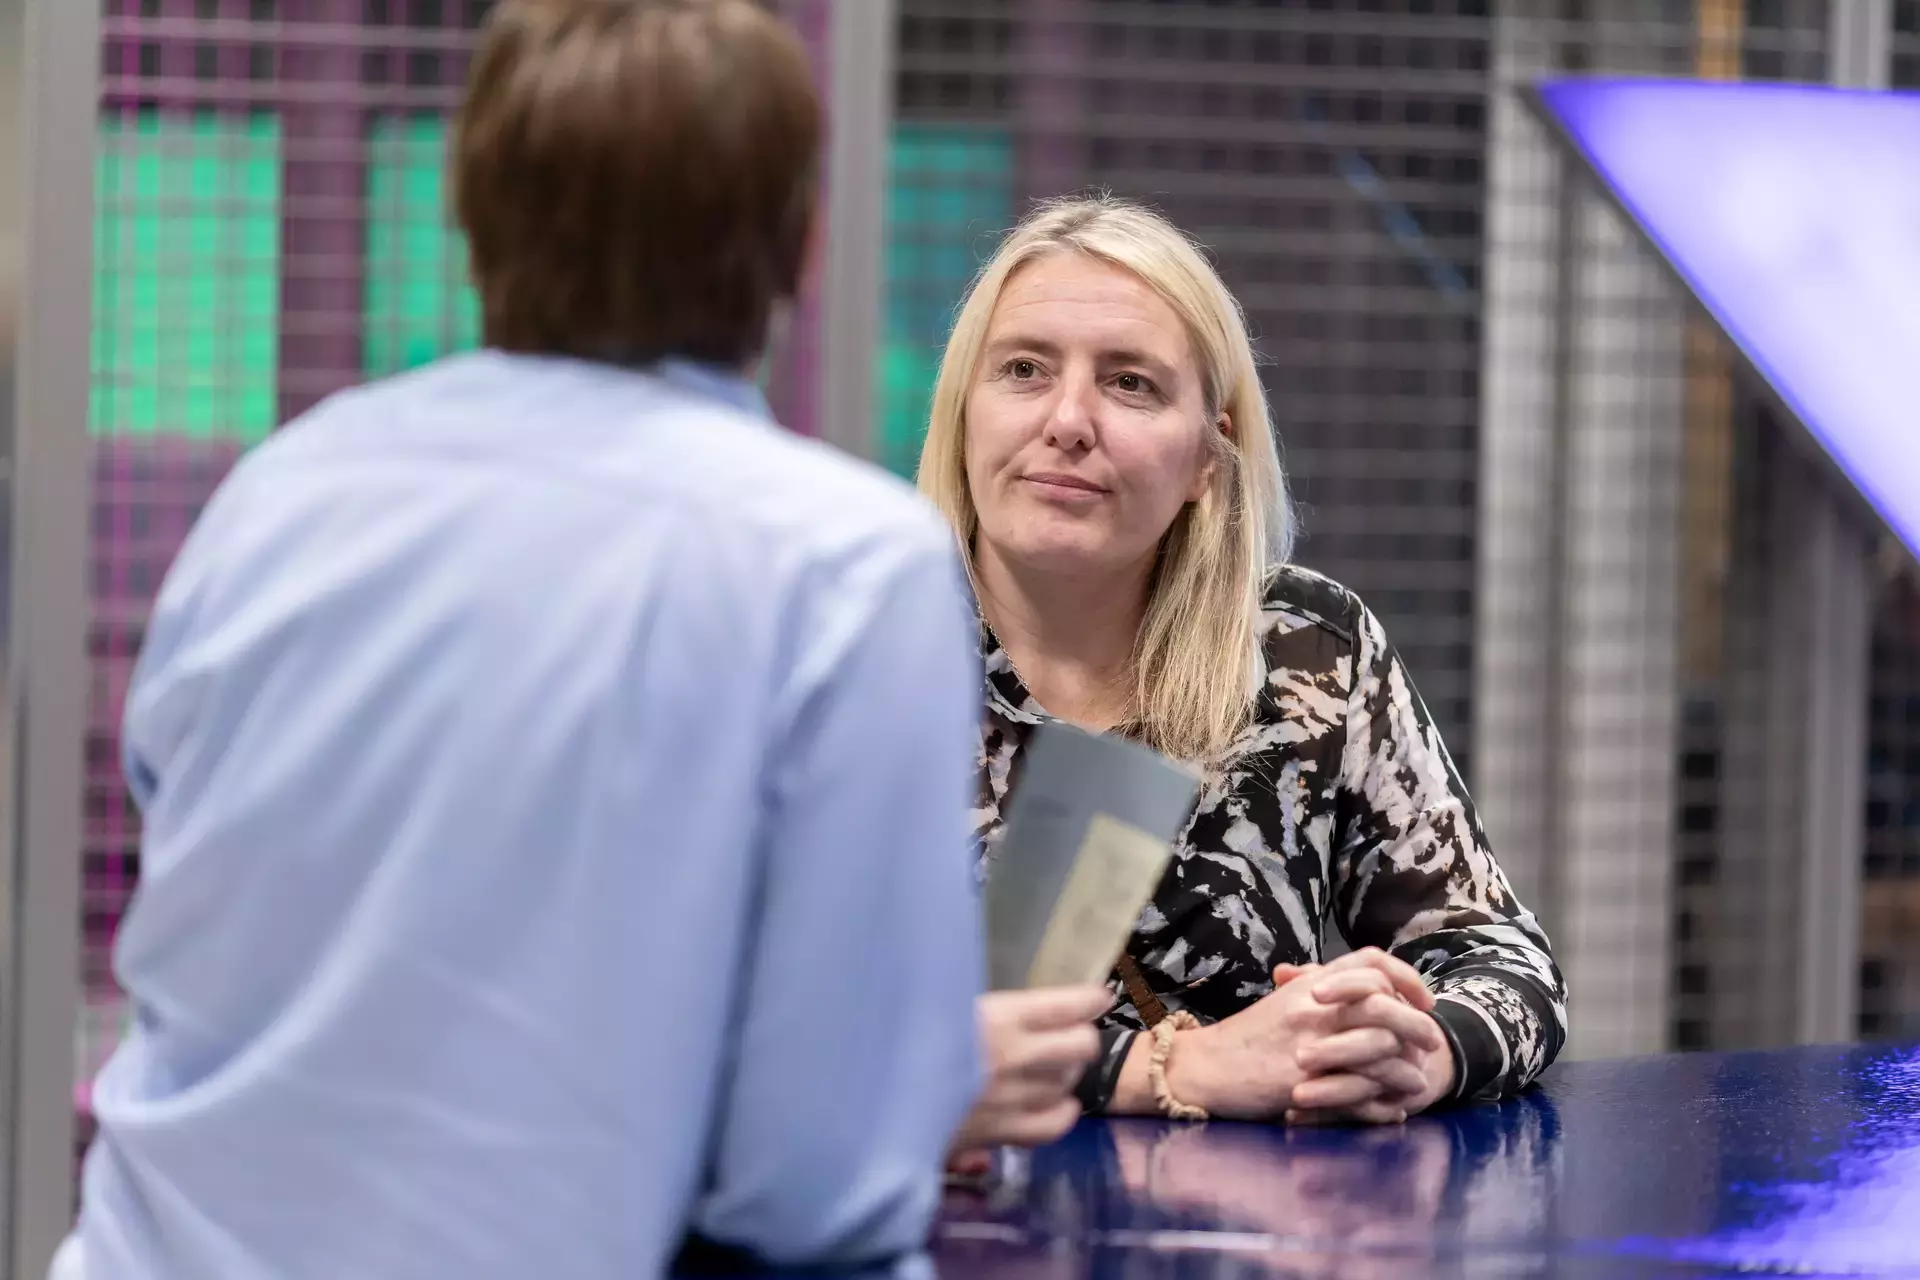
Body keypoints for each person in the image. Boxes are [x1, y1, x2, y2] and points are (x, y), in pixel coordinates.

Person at [60, 4, 1097, 1278]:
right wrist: (921, 1074)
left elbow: (209, 916)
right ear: (802, 245)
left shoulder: (278, 496)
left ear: (470, 209)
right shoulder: (843, 567)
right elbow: (813, 1187)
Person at [918, 195, 1567, 1126]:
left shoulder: (1305, 649)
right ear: (964, 415)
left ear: (1206, 464)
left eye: (1130, 383)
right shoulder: (859, 649)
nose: (1067, 420)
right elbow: (823, 1033)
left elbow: (1504, 956)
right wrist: (1184, 1068)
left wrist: (1417, 1043)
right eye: (1023, 369)